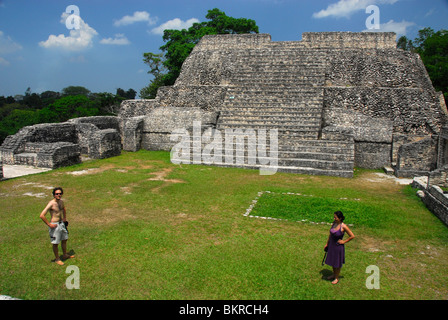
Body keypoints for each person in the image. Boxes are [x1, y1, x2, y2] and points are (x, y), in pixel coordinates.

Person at [39, 187, 74, 266]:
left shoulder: (61, 202)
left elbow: (64, 209)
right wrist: (49, 224)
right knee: (55, 243)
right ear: (54, 195)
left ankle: (65, 255)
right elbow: (42, 215)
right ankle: (57, 259)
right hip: (55, 225)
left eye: (60, 193)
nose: (59, 195)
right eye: (57, 194)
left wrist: (64, 218)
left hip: (61, 223)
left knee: (65, 239)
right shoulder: (51, 203)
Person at [324, 211, 355, 284]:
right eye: (334, 217)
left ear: (340, 218)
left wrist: (344, 241)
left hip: (338, 247)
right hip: (332, 245)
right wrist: (327, 243)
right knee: (332, 261)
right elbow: (330, 235)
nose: (334, 218)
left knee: (337, 263)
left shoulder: (343, 226)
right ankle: (334, 274)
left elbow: (352, 236)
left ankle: (336, 278)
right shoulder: (334, 223)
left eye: (336, 217)